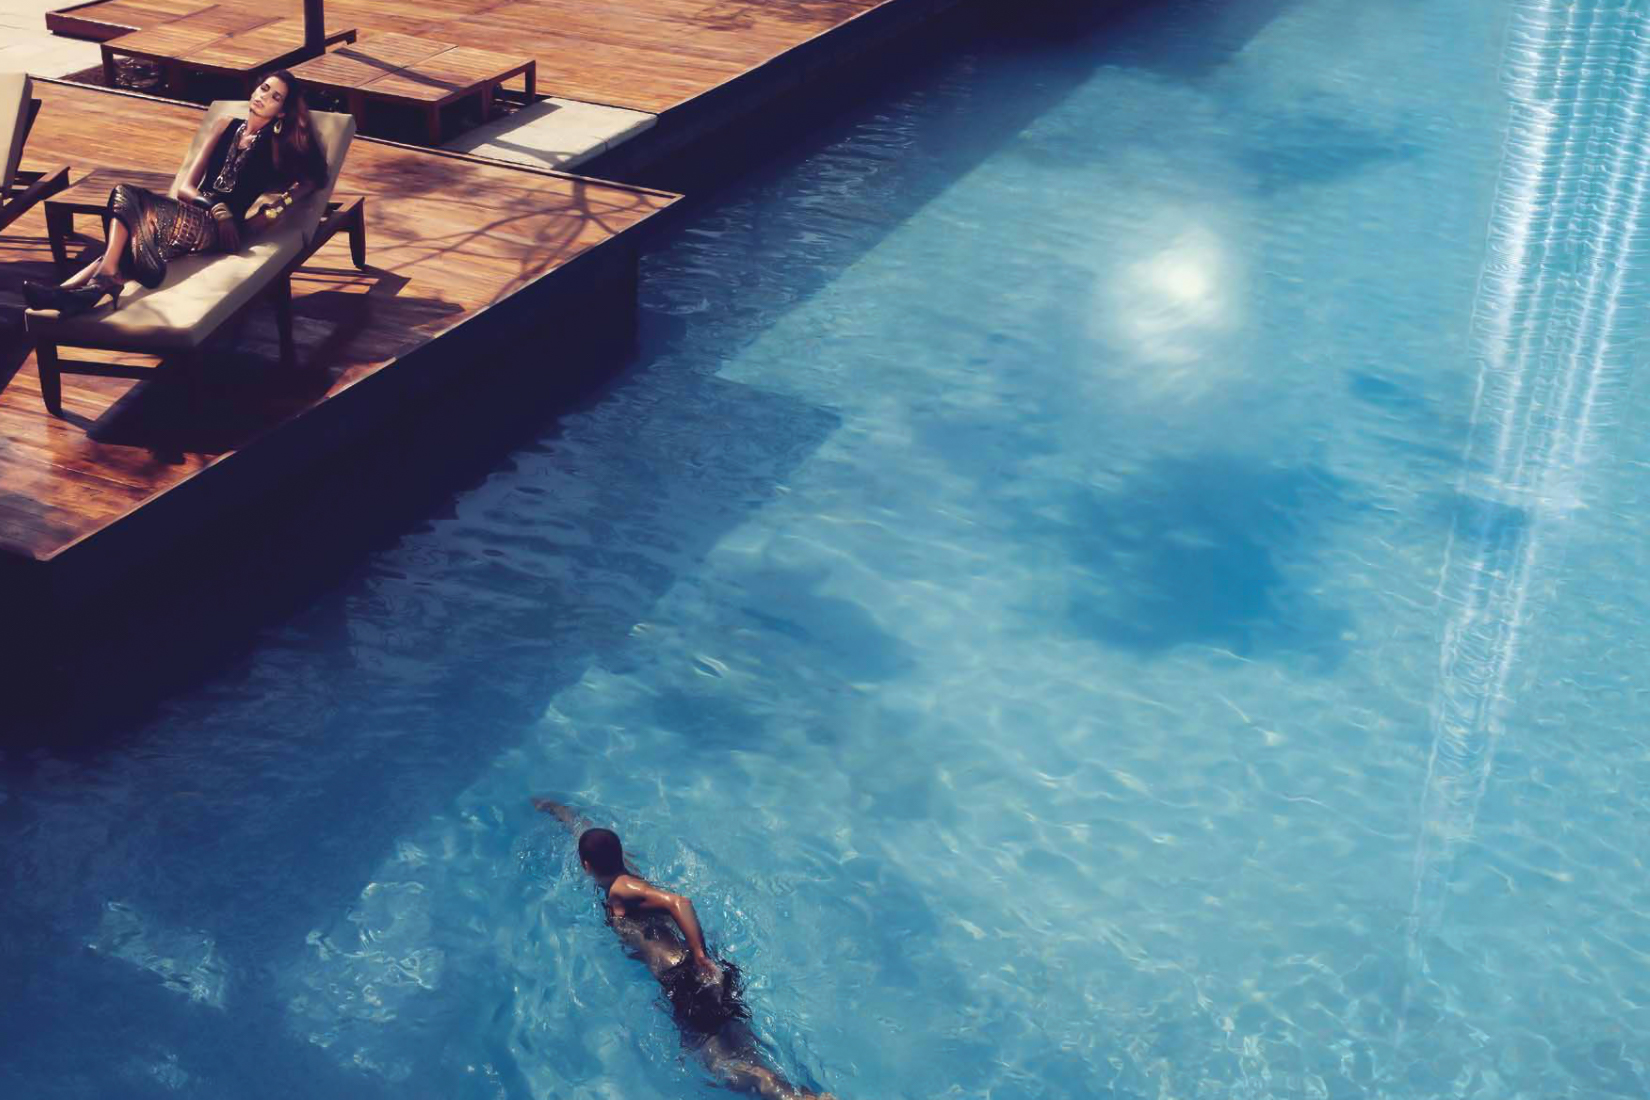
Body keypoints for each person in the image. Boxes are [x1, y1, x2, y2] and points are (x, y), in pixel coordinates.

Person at [533, 798, 838, 1100]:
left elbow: (680, 902)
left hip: (685, 979)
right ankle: (798, 1093)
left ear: (586, 865)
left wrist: (700, 954)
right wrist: (558, 811)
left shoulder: (621, 890)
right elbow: (586, 832)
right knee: (738, 1044)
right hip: (690, 973)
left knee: (722, 1067)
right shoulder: (626, 872)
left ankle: (791, 1097)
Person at [23, 69, 328, 316]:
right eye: (264, 88)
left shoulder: (276, 148)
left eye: (275, 97)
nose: (264, 97)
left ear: (281, 113)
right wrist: (214, 207)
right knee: (128, 242)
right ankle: (72, 293)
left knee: (125, 195)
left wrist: (268, 213)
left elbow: (309, 183)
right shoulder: (225, 126)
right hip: (196, 214)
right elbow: (185, 188)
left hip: (218, 232)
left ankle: (91, 284)